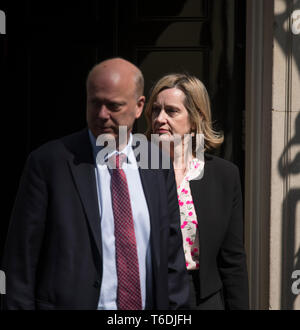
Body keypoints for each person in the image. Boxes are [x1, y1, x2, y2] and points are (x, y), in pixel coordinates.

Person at [1, 58, 189, 310]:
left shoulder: (156, 165)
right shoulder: (49, 163)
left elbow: (172, 260)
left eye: (113, 106)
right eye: (95, 103)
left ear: (138, 106)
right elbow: (20, 263)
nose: (102, 115)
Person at [145, 73, 249, 310]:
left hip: (204, 298)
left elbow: (232, 260)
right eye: (155, 110)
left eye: (171, 111)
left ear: (195, 119)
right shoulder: (136, 170)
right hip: (151, 297)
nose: (160, 119)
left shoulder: (224, 175)